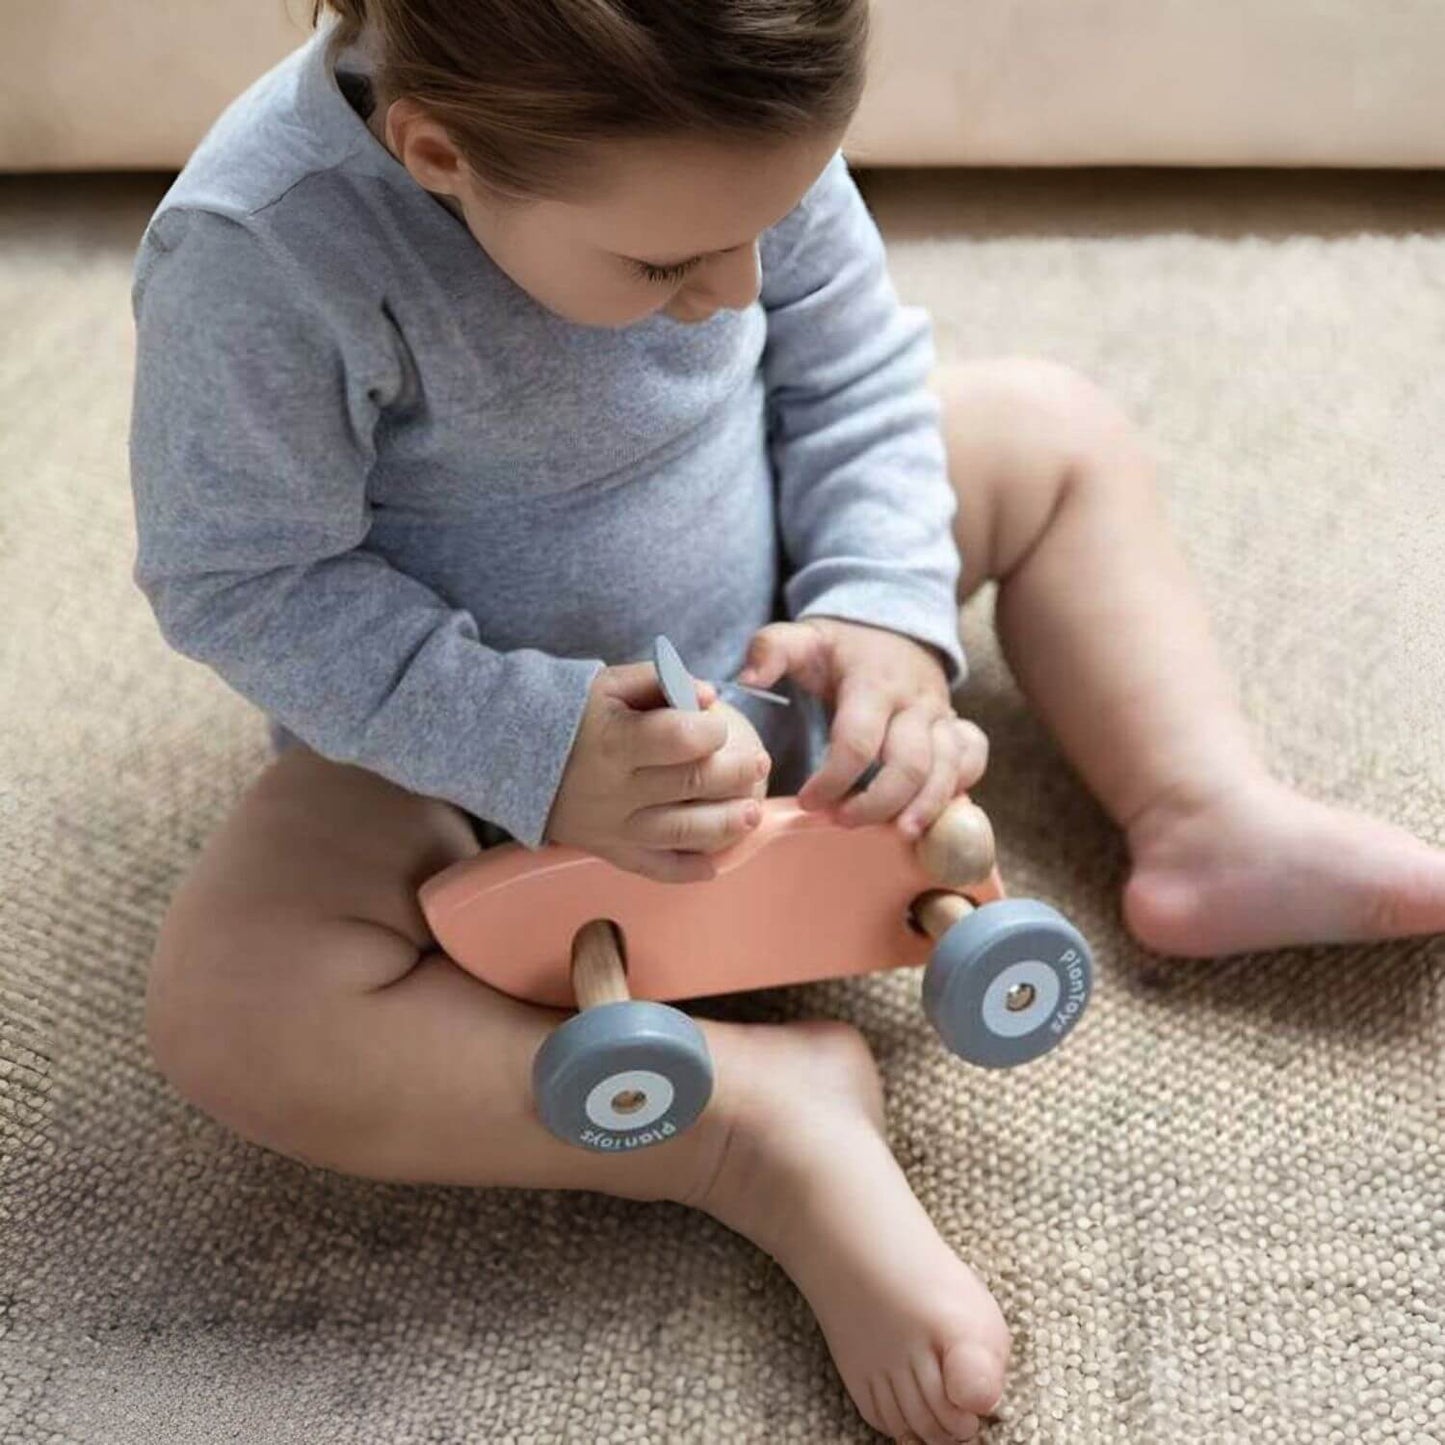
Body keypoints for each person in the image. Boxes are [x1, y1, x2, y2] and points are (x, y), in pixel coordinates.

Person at [128, 3, 1445, 1439]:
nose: (737, 287)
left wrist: (882, 617)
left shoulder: (722, 114)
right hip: (481, 766)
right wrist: (539, 746)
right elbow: (248, 581)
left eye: (773, 217)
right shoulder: (263, 251)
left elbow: (851, 376)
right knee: (230, 1006)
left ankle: (1201, 808)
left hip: (778, 617)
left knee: (1046, 428)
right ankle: (748, 1128)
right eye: (669, 262)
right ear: (438, 154)